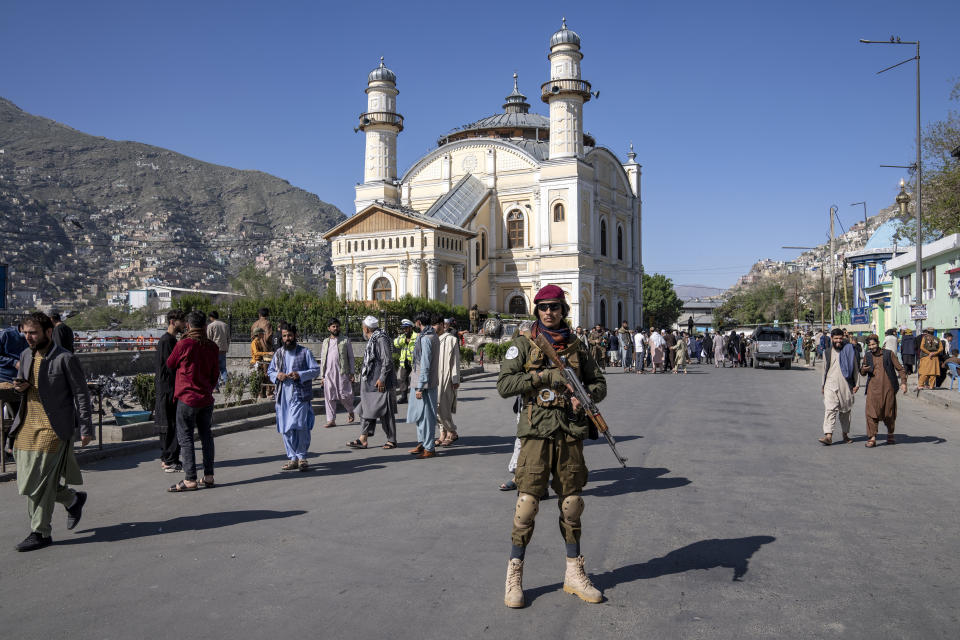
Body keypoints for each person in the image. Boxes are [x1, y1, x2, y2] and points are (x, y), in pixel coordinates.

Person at [497, 284, 606, 608]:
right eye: (543, 307)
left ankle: (574, 573)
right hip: (535, 432)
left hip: (570, 432)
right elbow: (505, 385)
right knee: (527, 505)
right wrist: (543, 378)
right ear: (537, 310)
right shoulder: (522, 344)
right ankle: (514, 575)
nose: (549, 312)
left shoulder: (578, 346)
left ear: (563, 310)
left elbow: (599, 384)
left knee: (572, 504)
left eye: (554, 307)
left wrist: (582, 398)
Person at [7, 312, 93, 552]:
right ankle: (72, 499)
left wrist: (86, 428)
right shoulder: (24, 356)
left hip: (53, 428)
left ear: (48, 332)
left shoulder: (65, 359)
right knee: (27, 480)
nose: (28, 337)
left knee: (41, 482)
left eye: (33, 332)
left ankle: (40, 532)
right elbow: (28, 387)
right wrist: (20, 387)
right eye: (25, 333)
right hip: (26, 426)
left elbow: (81, 396)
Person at [166, 311, 220, 492]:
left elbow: (170, 364)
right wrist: (207, 388)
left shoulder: (184, 344)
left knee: (186, 438)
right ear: (205, 327)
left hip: (187, 398)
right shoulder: (212, 347)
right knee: (206, 436)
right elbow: (215, 374)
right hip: (205, 398)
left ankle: (190, 479)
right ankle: (209, 475)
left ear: (188, 326)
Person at [268, 324, 321, 471]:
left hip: (299, 395)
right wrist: (277, 375)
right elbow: (270, 371)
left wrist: (301, 375)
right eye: (284, 336)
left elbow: (315, 370)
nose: (287, 339)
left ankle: (302, 456)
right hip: (283, 396)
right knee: (286, 427)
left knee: (298, 425)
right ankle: (293, 458)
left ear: (295, 335)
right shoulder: (278, 353)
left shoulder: (305, 352)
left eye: (289, 335)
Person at [348, 316, 397, 450]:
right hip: (369, 382)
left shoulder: (380, 339)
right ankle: (363, 438)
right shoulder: (373, 339)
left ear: (366, 328)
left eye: (362, 328)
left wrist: (382, 378)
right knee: (366, 408)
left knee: (385, 411)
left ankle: (391, 439)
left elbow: (387, 361)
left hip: (380, 382)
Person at [860, 334, 907, 448]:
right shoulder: (867, 355)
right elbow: (862, 372)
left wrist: (904, 382)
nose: (872, 347)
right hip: (872, 389)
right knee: (870, 413)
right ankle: (872, 438)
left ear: (878, 343)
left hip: (888, 388)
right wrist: (863, 370)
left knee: (888, 413)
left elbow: (900, 368)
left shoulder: (888, 354)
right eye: (870, 345)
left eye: (874, 344)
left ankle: (890, 433)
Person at [407, 312, 440, 459]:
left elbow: (425, 364)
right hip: (424, 382)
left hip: (424, 384)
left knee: (426, 417)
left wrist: (420, 386)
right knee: (420, 416)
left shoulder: (426, 338)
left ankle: (429, 448)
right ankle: (423, 443)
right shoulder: (432, 336)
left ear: (419, 322)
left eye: (415, 323)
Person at [819, 328, 860, 446]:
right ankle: (828, 435)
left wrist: (856, 384)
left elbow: (855, 368)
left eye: (840, 338)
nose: (838, 341)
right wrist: (823, 384)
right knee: (830, 409)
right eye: (836, 338)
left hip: (845, 385)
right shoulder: (827, 352)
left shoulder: (849, 351)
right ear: (831, 339)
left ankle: (845, 434)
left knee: (845, 411)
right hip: (830, 385)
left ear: (843, 338)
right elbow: (824, 370)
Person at [155, 309, 184, 472]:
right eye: (181, 320)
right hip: (169, 388)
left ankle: (167, 458)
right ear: (173, 322)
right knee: (171, 425)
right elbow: (171, 366)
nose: (184, 324)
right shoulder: (167, 341)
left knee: (169, 424)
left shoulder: (169, 340)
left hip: (168, 388)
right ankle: (170, 460)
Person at [319, 318, 355, 428]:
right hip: (328, 373)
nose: (336, 328)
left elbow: (351, 357)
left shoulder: (345, 340)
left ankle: (350, 410)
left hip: (342, 372)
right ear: (329, 328)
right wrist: (322, 375)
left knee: (344, 395)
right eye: (333, 326)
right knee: (329, 396)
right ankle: (331, 420)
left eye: (337, 326)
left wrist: (352, 373)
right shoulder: (325, 341)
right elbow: (322, 358)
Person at [436, 317, 461, 447]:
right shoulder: (433, 339)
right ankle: (443, 433)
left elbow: (455, 360)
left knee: (443, 407)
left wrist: (455, 378)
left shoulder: (452, 339)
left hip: (447, 377)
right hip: (435, 377)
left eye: (435, 325)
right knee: (436, 407)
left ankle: (452, 431)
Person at [393, 319, 417, 404]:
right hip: (405, 362)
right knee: (403, 379)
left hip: (414, 362)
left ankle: (417, 396)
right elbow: (395, 342)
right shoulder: (403, 336)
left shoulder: (416, 336)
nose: (404, 330)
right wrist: (404, 340)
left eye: (406, 328)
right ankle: (404, 397)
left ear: (411, 328)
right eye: (403, 328)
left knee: (416, 379)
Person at [207, 310, 230, 387]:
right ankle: (227, 384)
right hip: (223, 349)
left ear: (211, 317)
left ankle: (216, 386)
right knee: (223, 368)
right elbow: (228, 338)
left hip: (214, 349)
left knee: (214, 368)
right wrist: (227, 347)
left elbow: (209, 338)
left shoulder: (211, 326)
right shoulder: (225, 325)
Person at [250, 327, 273, 397]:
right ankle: (256, 394)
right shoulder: (254, 342)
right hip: (255, 363)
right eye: (262, 334)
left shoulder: (259, 342)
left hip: (259, 362)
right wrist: (267, 353)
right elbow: (256, 353)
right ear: (259, 334)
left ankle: (262, 394)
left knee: (262, 378)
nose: (263, 335)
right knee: (257, 379)